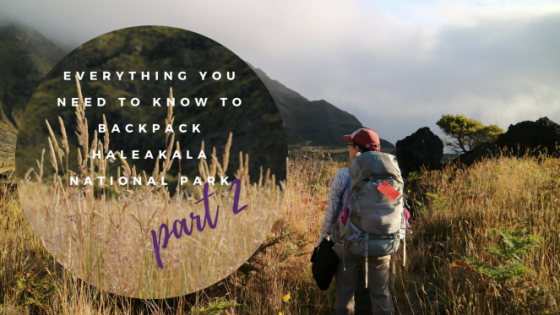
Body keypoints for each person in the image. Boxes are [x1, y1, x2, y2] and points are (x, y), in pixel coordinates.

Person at [318, 128, 394, 315]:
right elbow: (395, 204)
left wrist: (323, 239)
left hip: (348, 244)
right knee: (381, 295)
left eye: (349, 145)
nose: (348, 149)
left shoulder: (344, 175)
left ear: (357, 149)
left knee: (345, 296)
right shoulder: (388, 179)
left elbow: (332, 213)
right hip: (381, 244)